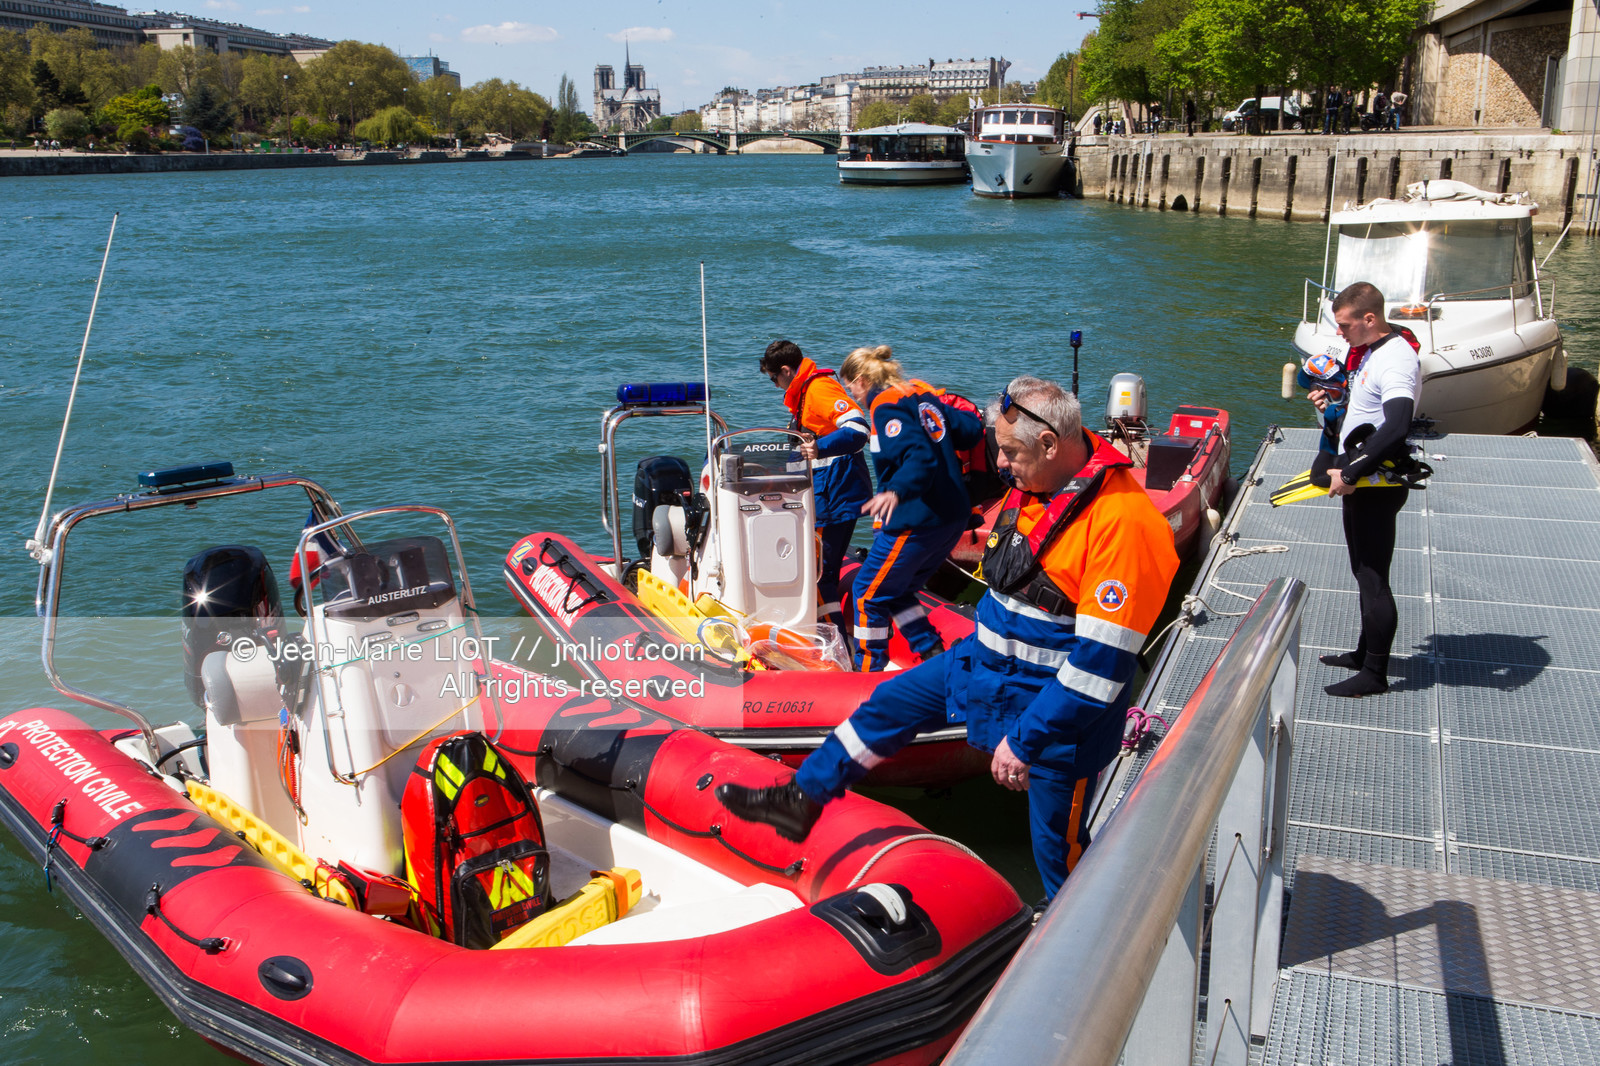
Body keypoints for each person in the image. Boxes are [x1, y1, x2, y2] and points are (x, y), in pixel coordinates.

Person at [717, 376, 1179, 900]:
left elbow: (1099, 668)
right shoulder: (1037, 484)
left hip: (1055, 710)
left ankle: (1079, 941)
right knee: (887, 702)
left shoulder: (1123, 524)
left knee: (1057, 845)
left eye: (1009, 452)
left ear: (1050, 445)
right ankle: (799, 802)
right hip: (985, 663)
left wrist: (1026, 740)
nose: (1000, 464)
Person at [835, 345, 982, 671]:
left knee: (867, 593)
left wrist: (896, 492)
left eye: (850, 387)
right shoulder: (920, 395)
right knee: (896, 590)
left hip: (916, 519)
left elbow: (920, 457)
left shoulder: (884, 407)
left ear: (861, 380)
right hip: (952, 517)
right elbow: (970, 432)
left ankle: (868, 671)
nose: (852, 395)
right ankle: (933, 654)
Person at [1315, 282, 1421, 698]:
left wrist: (1353, 472)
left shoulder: (1395, 359)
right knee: (1362, 573)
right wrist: (1332, 405)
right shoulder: (1374, 352)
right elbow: (1368, 412)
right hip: (1363, 483)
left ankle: (1375, 674)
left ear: (1369, 319)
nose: (1340, 333)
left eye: (1345, 325)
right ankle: (1363, 653)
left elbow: (1397, 424)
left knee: (1374, 577)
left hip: (1375, 486)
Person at [759, 340, 873, 631]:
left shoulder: (819, 390)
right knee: (822, 573)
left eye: (774, 379)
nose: (775, 386)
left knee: (818, 575)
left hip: (834, 496)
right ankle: (831, 636)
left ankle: (836, 645)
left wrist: (819, 448)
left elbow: (859, 428)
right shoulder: (804, 395)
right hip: (828, 495)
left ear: (785, 371)